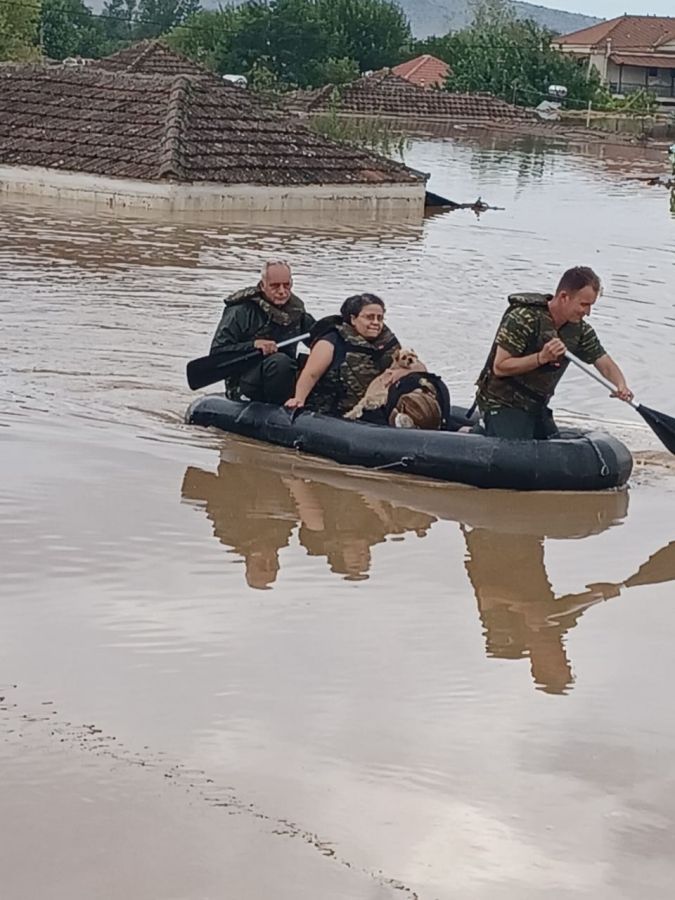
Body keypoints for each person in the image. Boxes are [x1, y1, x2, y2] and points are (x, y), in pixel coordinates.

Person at [473, 266, 633, 440]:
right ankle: (474, 432)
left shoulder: (580, 330)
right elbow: (500, 367)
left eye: (590, 306)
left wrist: (620, 384)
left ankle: (479, 431)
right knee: (516, 452)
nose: (587, 312)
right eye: (584, 305)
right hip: (501, 401)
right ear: (564, 297)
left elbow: (604, 362)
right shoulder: (523, 318)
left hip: (536, 406)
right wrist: (541, 358)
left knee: (552, 448)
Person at [210, 260, 315, 404]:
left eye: (286, 285)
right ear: (263, 284)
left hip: (285, 376)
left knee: (317, 362)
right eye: (275, 286)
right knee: (280, 362)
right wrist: (253, 345)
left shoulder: (296, 312)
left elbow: (317, 338)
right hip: (246, 381)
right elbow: (217, 353)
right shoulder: (240, 312)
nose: (282, 291)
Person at [285, 293, 400, 417]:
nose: (376, 322)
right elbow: (311, 374)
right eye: (369, 317)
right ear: (353, 319)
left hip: (372, 409)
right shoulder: (331, 341)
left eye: (380, 318)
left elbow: (409, 368)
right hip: (332, 413)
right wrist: (299, 399)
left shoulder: (388, 344)